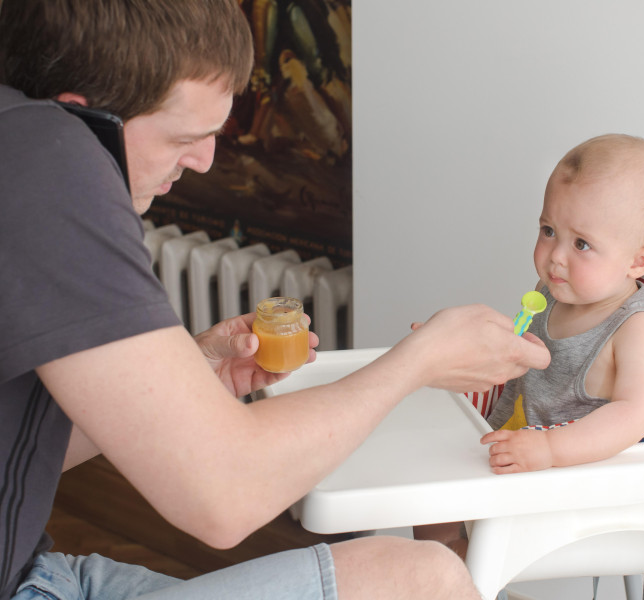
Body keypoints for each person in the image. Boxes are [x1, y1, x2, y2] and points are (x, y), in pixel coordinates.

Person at [0, 2, 550, 600]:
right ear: (79, 117)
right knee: (424, 581)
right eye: (185, 137)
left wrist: (182, 387)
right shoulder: (49, 158)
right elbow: (226, 497)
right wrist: (415, 363)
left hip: (33, 566)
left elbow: (20, 450)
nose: (204, 161)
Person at [414, 133, 644, 559]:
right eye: (549, 230)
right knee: (426, 493)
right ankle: (448, 567)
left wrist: (551, 449)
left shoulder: (637, 327)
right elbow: (515, 344)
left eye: (582, 244)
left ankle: (463, 570)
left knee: (455, 529)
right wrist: (448, 341)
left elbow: (634, 415)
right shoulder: (552, 292)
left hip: (565, 482)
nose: (555, 256)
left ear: (638, 262)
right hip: (511, 449)